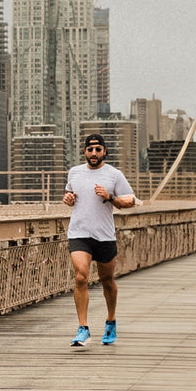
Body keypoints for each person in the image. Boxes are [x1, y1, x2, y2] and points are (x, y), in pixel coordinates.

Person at [62, 134, 139, 347]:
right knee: (80, 277)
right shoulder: (74, 172)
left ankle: (111, 321)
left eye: (98, 149)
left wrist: (110, 197)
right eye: (90, 149)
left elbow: (130, 201)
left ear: (104, 151)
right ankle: (83, 328)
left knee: (107, 281)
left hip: (104, 235)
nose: (94, 153)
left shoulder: (114, 174)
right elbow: (70, 196)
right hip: (79, 233)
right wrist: (67, 199)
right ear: (84, 151)